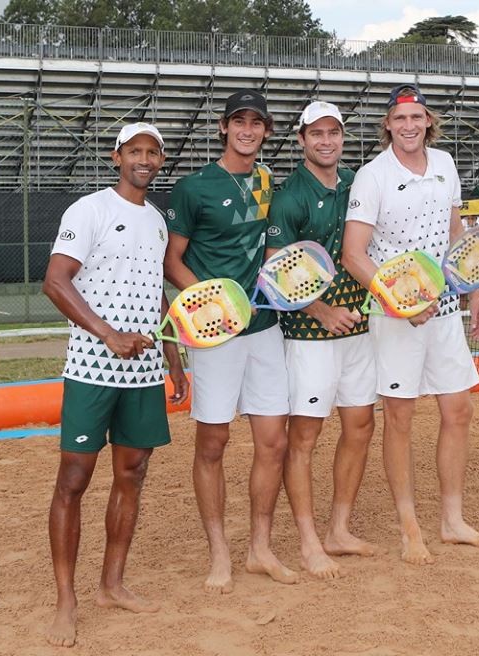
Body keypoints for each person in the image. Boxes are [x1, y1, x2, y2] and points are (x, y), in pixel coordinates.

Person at [41, 122, 189, 648]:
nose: (144, 160)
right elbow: (55, 280)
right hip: (90, 367)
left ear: (161, 161)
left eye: (153, 152)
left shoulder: (155, 221)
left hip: (143, 372)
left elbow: (157, 296)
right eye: (135, 151)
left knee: (133, 473)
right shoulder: (89, 209)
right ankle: (66, 601)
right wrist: (108, 334)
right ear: (116, 156)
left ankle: (112, 585)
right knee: (74, 480)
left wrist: (174, 360)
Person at [342, 83, 479, 565]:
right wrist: (400, 301)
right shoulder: (372, 176)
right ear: (387, 125)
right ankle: (409, 525)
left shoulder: (446, 165)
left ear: (428, 122)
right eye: (400, 118)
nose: (409, 126)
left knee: (458, 411)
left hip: (445, 308)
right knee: (401, 419)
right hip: (395, 314)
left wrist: (472, 290)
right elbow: (353, 255)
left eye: (417, 117)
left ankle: (452, 521)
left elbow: (456, 234)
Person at [165, 89, 297, 591]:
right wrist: (211, 303)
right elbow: (172, 260)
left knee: (273, 440)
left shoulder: (266, 182)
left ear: (265, 131)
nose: (248, 130)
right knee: (213, 442)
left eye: (256, 123)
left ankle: (259, 548)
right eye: (238, 121)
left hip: (264, 329)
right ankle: (219, 552)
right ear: (223, 127)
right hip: (215, 332)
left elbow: (271, 252)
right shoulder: (193, 187)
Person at [266, 101, 381, 580]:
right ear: (301, 140)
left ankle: (339, 529)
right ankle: (309, 541)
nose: (326, 141)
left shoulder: (359, 183)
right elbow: (275, 271)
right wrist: (321, 310)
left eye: (333, 132)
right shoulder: (290, 195)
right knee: (305, 436)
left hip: (358, 327)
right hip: (310, 332)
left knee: (360, 425)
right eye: (316, 133)